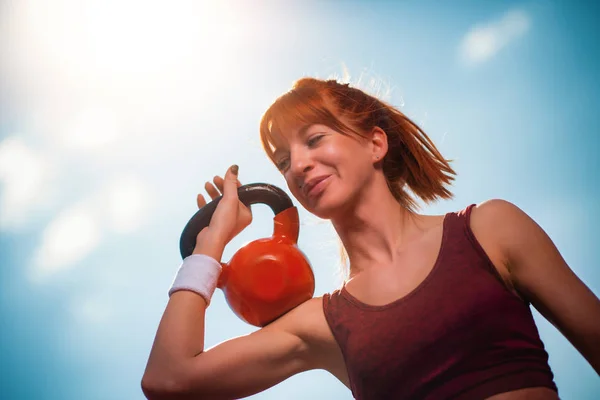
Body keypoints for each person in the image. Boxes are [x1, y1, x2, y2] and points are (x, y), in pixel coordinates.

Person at [142, 78, 600, 399]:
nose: (297, 165)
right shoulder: (322, 322)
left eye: (315, 139)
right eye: (283, 160)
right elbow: (169, 380)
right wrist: (210, 247)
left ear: (375, 144)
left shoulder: (490, 230)